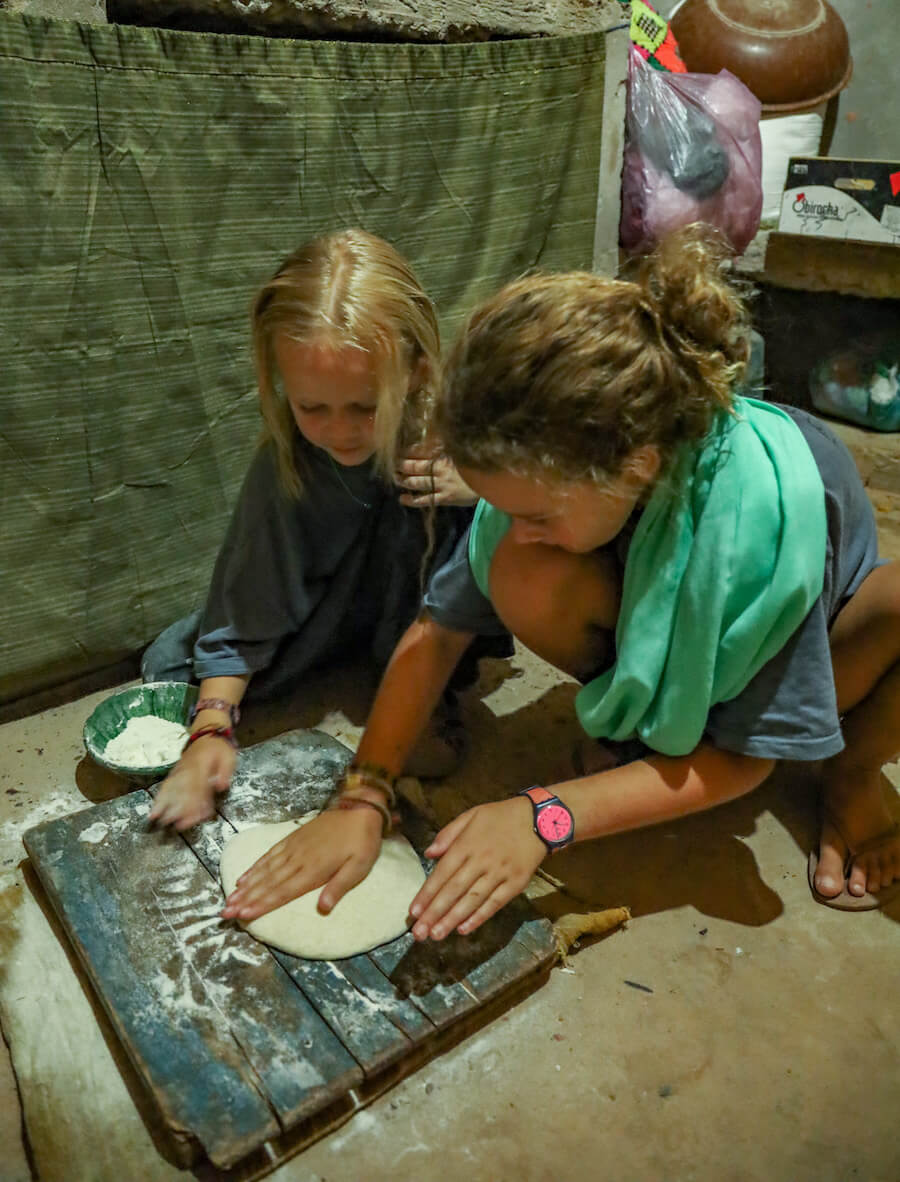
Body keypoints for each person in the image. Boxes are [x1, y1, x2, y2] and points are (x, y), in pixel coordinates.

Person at [221, 224, 900, 931]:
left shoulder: (764, 519)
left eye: (536, 513)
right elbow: (438, 631)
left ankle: (851, 773)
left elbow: (738, 761)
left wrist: (543, 817)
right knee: (521, 573)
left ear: (634, 467)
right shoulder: (570, 472)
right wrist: (363, 793)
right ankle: (646, 731)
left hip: (833, 644)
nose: (518, 530)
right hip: (653, 588)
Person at [149, 229, 507, 832]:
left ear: (418, 370)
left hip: (423, 622)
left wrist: (485, 490)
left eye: (366, 407)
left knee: (439, 502)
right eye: (312, 407)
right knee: (177, 668)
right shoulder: (289, 462)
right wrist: (210, 726)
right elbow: (249, 589)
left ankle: (423, 692)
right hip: (319, 617)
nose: (339, 431)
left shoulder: (456, 437)